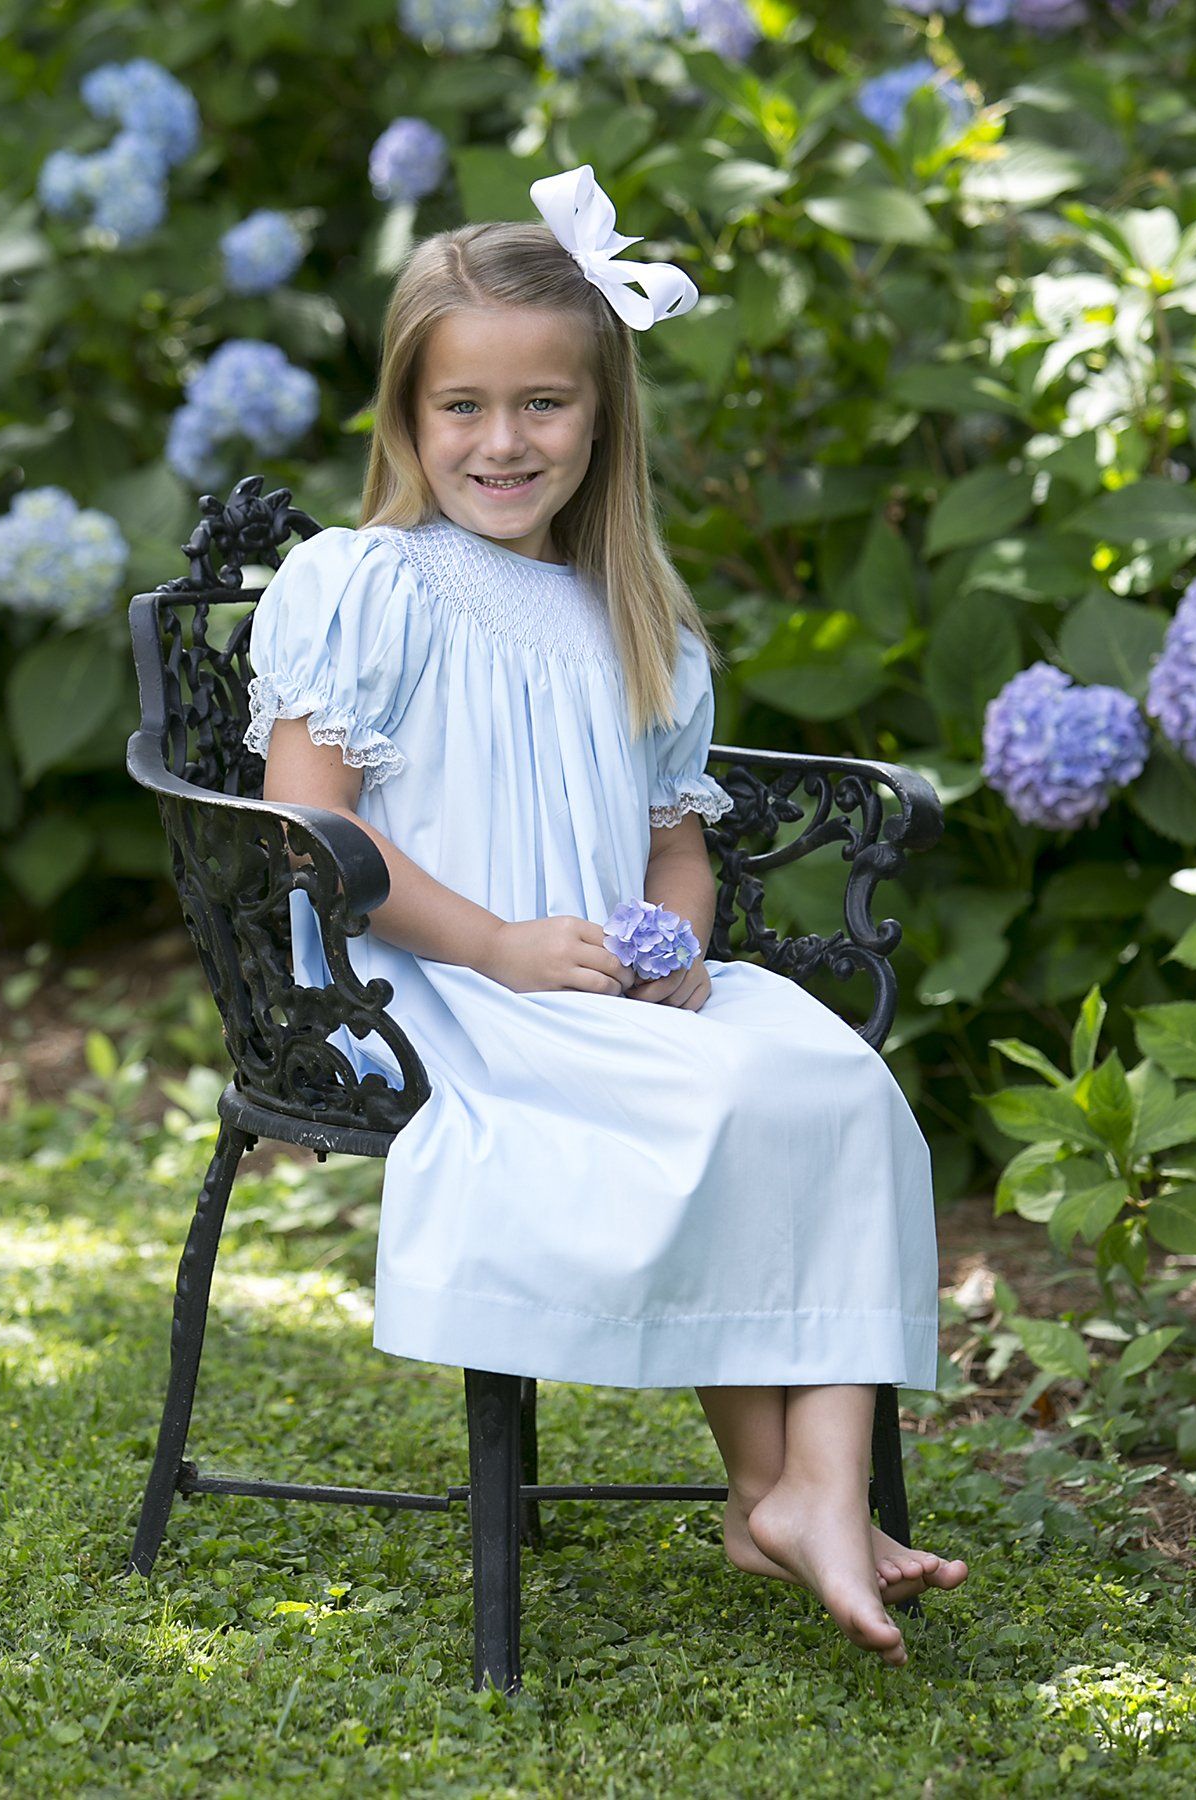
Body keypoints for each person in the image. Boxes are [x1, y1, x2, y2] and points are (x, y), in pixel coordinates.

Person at [244, 164, 966, 1667]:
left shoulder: (635, 619)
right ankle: (783, 1491)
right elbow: (318, 835)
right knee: (729, 1100)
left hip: (593, 978)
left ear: (602, 416)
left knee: (831, 1082)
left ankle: (803, 1485)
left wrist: (673, 942)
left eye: (544, 405)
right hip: (433, 985)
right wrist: (502, 947)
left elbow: (672, 846)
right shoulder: (366, 584)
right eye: (463, 407)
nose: (503, 441)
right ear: (408, 416)